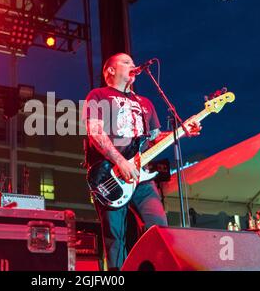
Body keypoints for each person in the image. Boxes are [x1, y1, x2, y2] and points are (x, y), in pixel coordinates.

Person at [82, 53, 202, 270]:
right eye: (126, 62)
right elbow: (95, 132)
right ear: (110, 70)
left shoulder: (145, 102)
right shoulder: (98, 95)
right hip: (110, 175)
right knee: (115, 239)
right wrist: (120, 161)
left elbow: (155, 138)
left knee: (159, 229)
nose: (134, 65)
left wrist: (183, 131)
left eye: (133, 62)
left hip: (142, 176)